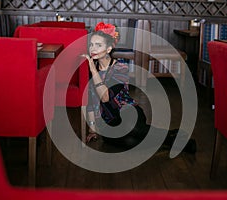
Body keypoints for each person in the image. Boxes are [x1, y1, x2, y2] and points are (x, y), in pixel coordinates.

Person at [81, 22, 196, 153]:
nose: (93, 49)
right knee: (130, 142)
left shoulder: (120, 67)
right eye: (91, 45)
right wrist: (92, 129)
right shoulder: (88, 70)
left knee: (132, 128)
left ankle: (175, 140)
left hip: (128, 113)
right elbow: (89, 102)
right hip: (108, 123)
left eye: (98, 45)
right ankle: (173, 137)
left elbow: (106, 96)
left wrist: (93, 71)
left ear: (108, 49)